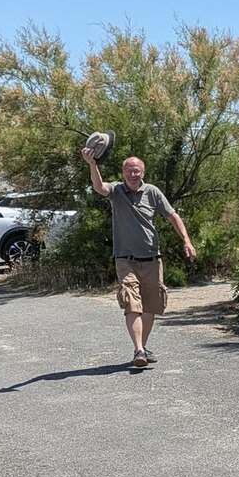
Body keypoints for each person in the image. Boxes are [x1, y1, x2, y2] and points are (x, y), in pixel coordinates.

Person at [82, 151, 196, 367]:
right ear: (123, 173)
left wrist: (187, 241)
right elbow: (99, 187)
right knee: (132, 302)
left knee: (151, 305)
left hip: (152, 258)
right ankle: (139, 349)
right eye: (129, 171)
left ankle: (141, 348)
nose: (133, 174)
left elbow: (173, 216)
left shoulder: (152, 192)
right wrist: (92, 164)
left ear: (143, 172)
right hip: (125, 260)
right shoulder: (116, 191)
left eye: (137, 171)